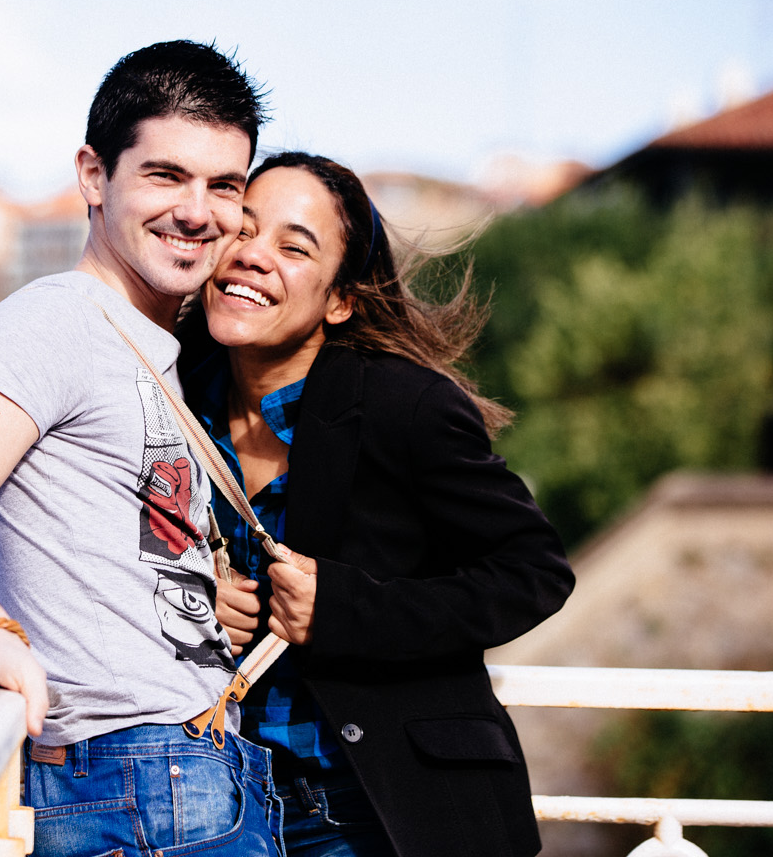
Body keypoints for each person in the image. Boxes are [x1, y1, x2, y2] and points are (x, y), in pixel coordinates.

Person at [0, 40, 283, 857]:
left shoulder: (161, 349)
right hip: (130, 785)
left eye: (224, 186)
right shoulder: (53, 321)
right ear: (95, 176)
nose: (199, 212)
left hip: (202, 768)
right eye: (165, 176)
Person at [179, 152, 575, 857]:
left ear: (340, 298)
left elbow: (534, 573)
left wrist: (342, 611)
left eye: (293, 246)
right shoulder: (170, 400)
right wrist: (195, 592)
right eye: (241, 230)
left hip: (376, 808)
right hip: (214, 800)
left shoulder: (404, 405)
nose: (252, 257)